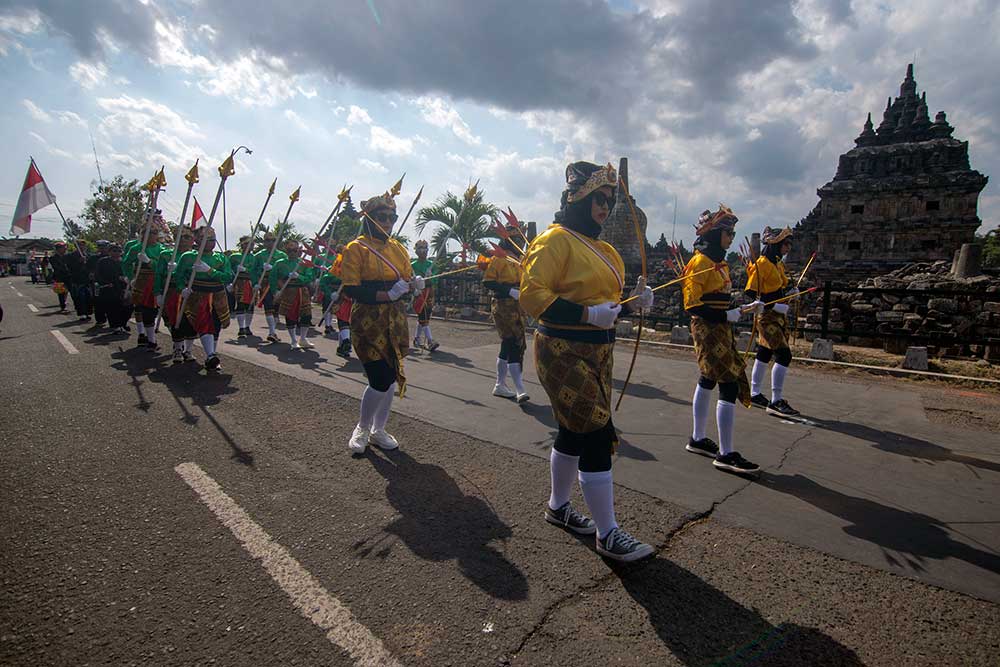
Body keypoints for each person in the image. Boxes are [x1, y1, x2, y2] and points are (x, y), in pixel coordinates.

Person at [520, 161, 655, 562]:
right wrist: (585, 315)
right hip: (562, 348)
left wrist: (633, 305)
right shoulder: (554, 241)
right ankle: (607, 533)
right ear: (578, 197)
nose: (606, 206)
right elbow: (532, 295)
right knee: (596, 431)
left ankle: (558, 507)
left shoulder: (607, 250)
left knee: (574, 431)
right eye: (599, 198)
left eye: (610, 200)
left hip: (600, 350)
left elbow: (606, 307)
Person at [682, 205, 763, 475]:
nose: (731, 237)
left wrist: (743, 309)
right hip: (707, 329)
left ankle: (697, 437)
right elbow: (693, 306)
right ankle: (726, 454)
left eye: (732, 232)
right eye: (728, 232)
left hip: (720, 327)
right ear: (715, 234)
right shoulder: (699, 263)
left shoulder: (720, 264)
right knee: (728, 385)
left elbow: (720, 301)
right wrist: (726, 315)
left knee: (708, 379)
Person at [341, 190, 421, 454]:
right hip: (368, 319)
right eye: (381, 217)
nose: (387, 222)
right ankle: (362, 427)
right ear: (369, 218)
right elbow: (351, 289)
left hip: (395, 319)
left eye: (392, 217)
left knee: (389, 378)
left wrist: (413, 286)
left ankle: (379, 429)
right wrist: (386, 293)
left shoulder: (398, 248)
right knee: (379, 376)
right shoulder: (356, 248)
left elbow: (406, 280)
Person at [746, 226, 800, 417]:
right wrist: (773, 306)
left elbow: (777, 290)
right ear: (776, 244)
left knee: (764, 352)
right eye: (786, 244)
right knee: (784, 355)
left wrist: (789, 294)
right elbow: (752, 293)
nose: (788, 248)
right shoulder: (762, 264)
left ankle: (754, 393)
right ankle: (776, 401)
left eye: (789, 244)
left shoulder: (777, 264)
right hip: (767, 316)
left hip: (778, 315)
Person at [174, 227, 233, 372]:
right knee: (204, 324)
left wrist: (209, 270)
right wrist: (182, 289)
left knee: (216, 325)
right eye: (207, 239)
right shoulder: (187, 257)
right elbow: (178, 277)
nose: (211, 242)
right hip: (198, 295)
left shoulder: (221, 258)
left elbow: (228, 276)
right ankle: (210, 354)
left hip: (218, 295)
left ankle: (211, 356)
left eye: (213, 239)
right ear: (197, 240)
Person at [483, 227, 528, 401]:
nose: (519, 243)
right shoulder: (499, 259)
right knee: (514, 342)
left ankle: (500, 384)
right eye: (516, 239)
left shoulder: (521, 260)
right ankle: (520, 388)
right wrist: (508, 290)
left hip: (518, 305)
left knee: (509, 343)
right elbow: (488, 281)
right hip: (503, 305)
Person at [122, 213, 169, 350]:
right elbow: (126, 263)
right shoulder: (135, 248)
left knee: (161, 310)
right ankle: (145, 336)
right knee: (141, 308)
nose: (148, 236)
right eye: (145, 233)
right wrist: (130, 277)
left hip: (157, 280)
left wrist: (149, 261)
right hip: (141, 280)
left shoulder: (161, 249)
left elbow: (163, 266)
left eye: (152, 233)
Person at [155, 226, 197, 363]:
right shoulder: (166, 255)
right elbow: (158, 276)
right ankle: (178, 348)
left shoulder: (197, 255)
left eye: (187, 237)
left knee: (192, 321)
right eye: (180, 237)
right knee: (175, 321)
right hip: (173, 291)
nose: (183, 240)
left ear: (193, 240)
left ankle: (188, 350)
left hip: (192, 292)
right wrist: (158, 294)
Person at [271, 239, 316, 350]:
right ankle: (293, 340)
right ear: (286, 250)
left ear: (298, 250)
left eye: (295, 250)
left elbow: (309, 278)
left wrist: (299, 276)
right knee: (290, 316)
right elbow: (273, 278)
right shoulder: (279, 263)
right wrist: (275, 291)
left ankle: (303, 339)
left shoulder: (304, 263)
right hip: (288, 291)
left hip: (302, 291)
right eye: (289, 250)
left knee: (306, 315)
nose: (292, 252)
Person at [252, 231, 288, 344]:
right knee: (268, 307)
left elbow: (286, 270)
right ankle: (272, 332)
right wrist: (255, 282)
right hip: (265, 283)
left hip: (278, 283)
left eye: (272, 240)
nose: (270, 243)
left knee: (277, 308)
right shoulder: (259, 256)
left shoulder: (282, 255)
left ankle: (274, 330)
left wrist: (274, 269)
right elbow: (253, 271)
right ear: (264, 242)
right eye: (267, 240)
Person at [410, 239, 440, 351]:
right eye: (420, 249)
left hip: (430, 293)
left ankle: (417, 339)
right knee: (423, 317)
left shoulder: (431, 265)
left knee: (424, 318)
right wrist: (414, 289)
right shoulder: (412, 265)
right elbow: (410, 279)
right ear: (416, 251)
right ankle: (430, 341)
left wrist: (431, 276)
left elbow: (436, 280)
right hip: (419, 293)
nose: (423, 251)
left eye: (425, 248)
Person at [95, 243, 130, 333]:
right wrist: (105, 283)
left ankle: (123, 323)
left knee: (127, 307)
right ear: (109, 251)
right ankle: (115, 326)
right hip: (109, 288)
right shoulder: (103, 261)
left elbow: (129, 273)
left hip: (123, 288)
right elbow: (98, 275)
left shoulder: (124, 262)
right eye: (114, 251)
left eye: (119, 251)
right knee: (113, 308)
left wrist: (126, 278)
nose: (117, 253)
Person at [229, 235, 259, 339]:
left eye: (251, 244)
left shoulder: (255, 258)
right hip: (239, 282)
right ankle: (241, 328)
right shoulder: (234, 257)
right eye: (247, 243)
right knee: (241, 304)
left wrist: (256, 283)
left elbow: (257, 271)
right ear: (242, 245)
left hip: (251, 283)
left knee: (250, 306)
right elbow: (228, 269)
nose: (250, 246)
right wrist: (231, 279)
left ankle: (247, 326)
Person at [88, 241, 111, 327]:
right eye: (100, 247)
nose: (102, 249)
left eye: (104, 247)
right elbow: (88, 268)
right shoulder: (93, 258)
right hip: (97, 283)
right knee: (98, 301)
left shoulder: (112, 257)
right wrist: (91, 273)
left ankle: (112, 319)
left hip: (110, 283)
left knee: (111, 301)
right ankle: (100, 319)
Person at [48, 242, 71, 312]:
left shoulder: (67, 256)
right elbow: (57, 267)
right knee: (61, 292)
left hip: (68, 276)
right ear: (58, 249)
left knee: (69, 290)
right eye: (63, 248)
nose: (65, 249)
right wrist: (65, 268)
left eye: (65, 248)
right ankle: (63, 306)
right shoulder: (53, 258)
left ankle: (75, 306)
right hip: (59, 276)